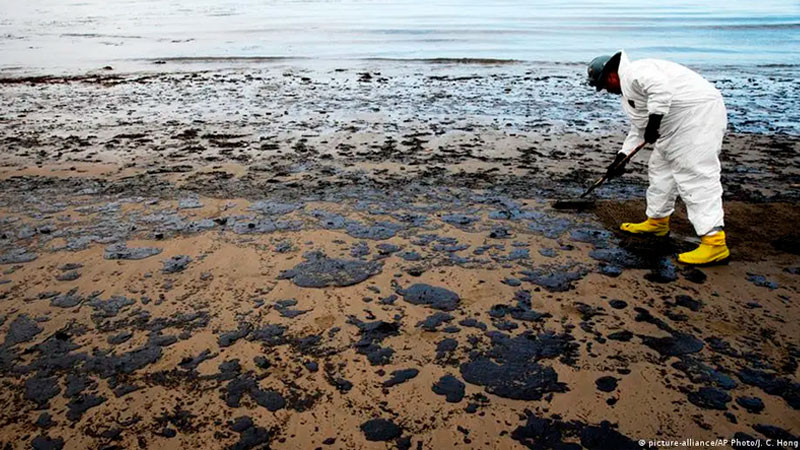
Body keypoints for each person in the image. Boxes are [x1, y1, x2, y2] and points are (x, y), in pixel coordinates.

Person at [586, 50, 730, 265]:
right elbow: (638, 129)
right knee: (660, 168)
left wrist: (654, 122)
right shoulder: (629, 94)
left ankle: (714, 243)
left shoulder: (637, 71)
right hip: (673, 123)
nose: (606, 91)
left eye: (604, 86)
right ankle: (657, 222)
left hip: (697, 116)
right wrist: (621, 159)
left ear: (610, 76)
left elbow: (660, 91)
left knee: (694, 174)